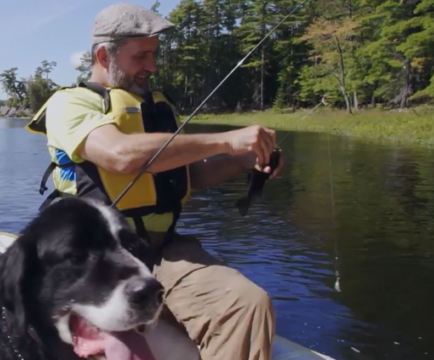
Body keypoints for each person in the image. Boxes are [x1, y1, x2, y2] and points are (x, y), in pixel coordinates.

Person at [25, 3, 282, 360]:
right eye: (141, 56)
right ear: (103, 54)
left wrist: (246, 159)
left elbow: (189, 175)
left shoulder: (157, 107)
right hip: (98, 256)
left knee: (248, 303)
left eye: (154, 55)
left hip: (164, 250)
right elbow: (121, 155)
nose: (152, 66)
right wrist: (228, 139)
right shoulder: (70, 105)